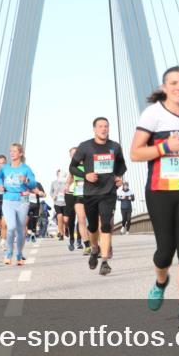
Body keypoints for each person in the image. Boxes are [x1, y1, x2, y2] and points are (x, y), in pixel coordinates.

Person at [131, 67, 179, 325]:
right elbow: (136, 153)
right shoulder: (153, 114)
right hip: (160, 190)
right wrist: (165, 146)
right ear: (164, 87)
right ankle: (160, 281)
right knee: (165, 251)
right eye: (174, 83)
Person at [71, 118, 127, 276]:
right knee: (93, 226)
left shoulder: (115, 147)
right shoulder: (85, 146)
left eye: (106, 126)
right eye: (100, 126)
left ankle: (104, 262)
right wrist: (85, 175)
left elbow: (122, 166)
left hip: (108, 192)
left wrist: (118, 176)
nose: (103, 129)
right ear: (94, 129)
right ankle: (94, 248)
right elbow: (72, 167)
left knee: (106, 225)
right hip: (90, 193)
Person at [0, 142, 40, 266]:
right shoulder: (5, 168)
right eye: (11, 151)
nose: (12, 153)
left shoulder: (26, 168)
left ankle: (19, 254)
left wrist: (26, 180)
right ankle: (9, 253)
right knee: (11, 227)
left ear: (20, 153)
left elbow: (33, 184)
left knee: (21, 229)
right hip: (8, 199)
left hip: (22, 200)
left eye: (15, 151)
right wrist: (0, 184)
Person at [65, 147, 89, 253]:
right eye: (72, 155)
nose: (74, 156)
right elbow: (70, 178)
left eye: (76, 154)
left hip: (89, 194)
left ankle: (87, 241)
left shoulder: (88, 163)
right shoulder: (72, 167)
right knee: (78, 219)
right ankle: (80, 242)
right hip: (76, 194)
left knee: (88, 220)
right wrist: (67, 186)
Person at [50, 169, 67, 240]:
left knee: (65, 220)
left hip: (66, 203)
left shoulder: (66, 182)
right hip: (57, 203)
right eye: (58, 174)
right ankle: (61, 234)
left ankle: (66, 229)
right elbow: (51, 192)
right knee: (59, 217)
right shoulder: (54, 183)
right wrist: (53, 196)